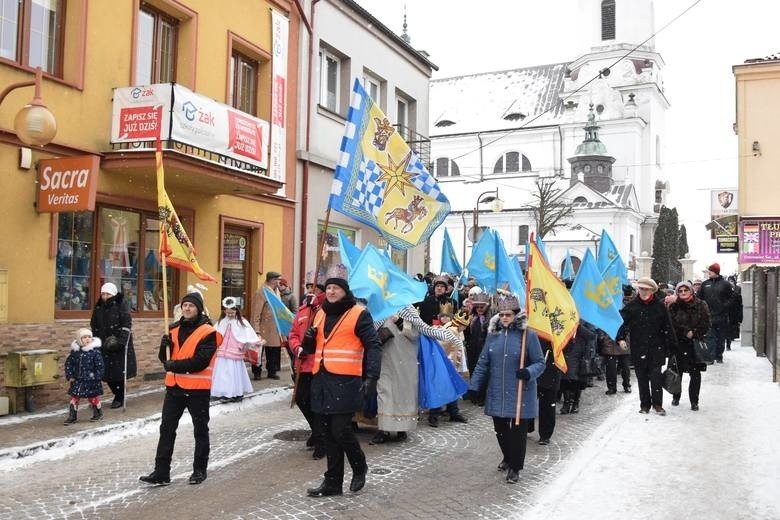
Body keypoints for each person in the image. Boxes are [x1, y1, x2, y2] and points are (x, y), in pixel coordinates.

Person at [301, 278, 381, 497]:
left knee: (340, 429)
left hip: (346, 381)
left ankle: (359, 464)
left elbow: (373, 345)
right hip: (321, 379)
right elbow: (312, 348)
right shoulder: (320, 313)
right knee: (327, 433)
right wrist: (307, 341)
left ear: (345, 292)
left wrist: (372, 377)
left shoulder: (358, 313)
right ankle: (333, 483)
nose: (331, 291)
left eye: (336, 288)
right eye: (328, 288)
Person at [139, 292, 220, 486]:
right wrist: (163, 346)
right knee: (166, 429)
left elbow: (200, 362)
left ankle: (199, 470)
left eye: (191, 305)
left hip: (197, 389)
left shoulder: (208, 332)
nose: (187, 308)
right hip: (174, 388)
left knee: (200, 430)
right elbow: (165, 359)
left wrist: (173, 365)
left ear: (198, 308)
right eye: (184, 305)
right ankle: (161, 472)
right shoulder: (173, 329)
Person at [468, 295, 545, 484]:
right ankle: (507, 457)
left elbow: (540, 363)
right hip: (497, 390)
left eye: (508, 314)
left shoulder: (528, 335)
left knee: (518, 433)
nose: (504, 318)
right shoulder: (493, 335)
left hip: (520, 391)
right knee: (500, 430)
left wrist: (528, 372)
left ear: (516, 315)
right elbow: (483, 362)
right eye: (501, 314)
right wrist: (474, 386)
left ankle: (515, 467)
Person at [371, 305, 462, 444]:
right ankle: (383, 429)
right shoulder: (382, 307)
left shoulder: (409, 309)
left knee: (404, 395)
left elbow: (419, 331)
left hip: (406, 360)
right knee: (385, 392)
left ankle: (402, 429)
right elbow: (370, 331)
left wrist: (400, 322)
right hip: (387, 358)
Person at [617, 277, 677, 415]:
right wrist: (620, 339)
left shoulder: (660, 306)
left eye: (646, 289)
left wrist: (672, 347)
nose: (643, 291)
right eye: (641, 288)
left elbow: (668, 327)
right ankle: (645, 405)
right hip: (638, 348)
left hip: (657, 348)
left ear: (652, 290)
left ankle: (657, 404)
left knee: (656, 378)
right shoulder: (632, 306)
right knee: (642, 378)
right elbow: (621, 324)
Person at [288, 284, 327, 459]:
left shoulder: (325, 310)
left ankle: (322, 439)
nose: (311, 291)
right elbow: (293, 333)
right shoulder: (303, 310)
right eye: (309, 288)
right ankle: (317, 430)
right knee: (302, 399)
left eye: (316, 289)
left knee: (317, 403)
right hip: (303, 364)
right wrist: (297, 349)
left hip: (320, 365)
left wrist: (317, 305)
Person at [90, 282, 136, 409]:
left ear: (113, 294)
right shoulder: (99, 307)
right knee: (106, 372)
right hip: (103, 344)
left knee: (118, 373)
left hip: (118, 345)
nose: (105, 296)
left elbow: (126, 325)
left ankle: (119, 396)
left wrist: (120, 342)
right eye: (103, 294)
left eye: (108, 294)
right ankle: (117, 393)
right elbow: (94, 325)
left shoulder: (121, 306)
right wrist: (95, 340)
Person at [669, 281, 711, 410]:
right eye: (680, 291)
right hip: (678, 343)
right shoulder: (674, 306)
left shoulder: (701, 304)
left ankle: (694, 401)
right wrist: (684, 331)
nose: (683, 293)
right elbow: (671, 323)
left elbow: (706, 322)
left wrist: (694, 332)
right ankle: (676, 396)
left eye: (685, 290)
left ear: (691, 291)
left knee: (695, 373)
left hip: (694, 343)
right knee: (677, 372)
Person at [428, 309, 470, 427]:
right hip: (447, 364)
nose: (465, 329)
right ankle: (434, 415)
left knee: (453, 388)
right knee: (442, 389)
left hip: (445, 363)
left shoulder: (449, 325)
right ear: (461, 325)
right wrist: (455, 365)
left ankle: (453, 412)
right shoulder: (453, 332)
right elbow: (451, 349)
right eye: (465, 327)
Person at [212, 297, 258, 403]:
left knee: (233, 373)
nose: (230, 315)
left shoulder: (241, 323)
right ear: (224, 312)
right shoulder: (221, 322)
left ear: (236, 311)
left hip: (235, 351)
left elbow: (248, 335)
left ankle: (235, 393)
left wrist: (246, 344)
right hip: (222, 351)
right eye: (228, 313)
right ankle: (220, 392)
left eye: (232, 313)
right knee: (221, 373)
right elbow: (214, 334)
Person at [63, 328, 105, 425]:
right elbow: (68, 364)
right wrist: (70, 375)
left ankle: (98, 413)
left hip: (91, 380)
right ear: (79, 340)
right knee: (74, 398)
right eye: (84, 337)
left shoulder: (95, 352)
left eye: (89, 337)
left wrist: (96, 377)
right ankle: (72, 417)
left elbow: (100, 366)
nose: (87, 339)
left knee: (93, 398)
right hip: (77, 380)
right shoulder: (75, 352)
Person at [696, 263, 735, 364]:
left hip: (721, 316)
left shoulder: (725, 284)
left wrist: (724, 306)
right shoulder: (705, 284)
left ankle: (719, 356)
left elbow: (732, 298)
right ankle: (711, 357)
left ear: (716, 272)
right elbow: (699, 298)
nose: (709, 272)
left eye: (711, 271)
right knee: (709, 337)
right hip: (708, 316)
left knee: (720, 337)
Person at [251, 271, 284, 380]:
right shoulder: (262, 291)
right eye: (278, 279)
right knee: (259, 351)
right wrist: (256, 329)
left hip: (275, 326)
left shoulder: (277, 290)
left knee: (273, 350)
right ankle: (257, 372)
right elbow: (256, 312)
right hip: (263, 326)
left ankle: (272, 371)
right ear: (272, 280)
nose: (280, 282)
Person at [533, 337, 561, 445]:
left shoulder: (559, 331)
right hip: (533, 372)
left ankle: (545, 434)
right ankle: (526, 426)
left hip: (550, 373)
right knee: (527, 403)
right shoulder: (533, 328)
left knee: (547, 406)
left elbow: (567, 349)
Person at [464, 291, 491, 405]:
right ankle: (473, 393)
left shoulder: (489, 320)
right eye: (478, 307)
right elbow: (467, 333)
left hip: (483, 348)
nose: (480, 309)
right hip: (472, 348)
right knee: (473, 369)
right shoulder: (472, 318)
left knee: (483, 372)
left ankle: (482, 396)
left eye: (482, 307)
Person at [726, 275, 743, 351]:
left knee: (731, 328)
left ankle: (730, 341)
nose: (731, 283)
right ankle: (727, 343)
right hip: (726, 312)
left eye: (732, 281)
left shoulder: (737, 291)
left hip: (733, 312)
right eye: (729, 281)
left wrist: (740, 316)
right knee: (727, 329)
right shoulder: (725, 292)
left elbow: (740, 304)